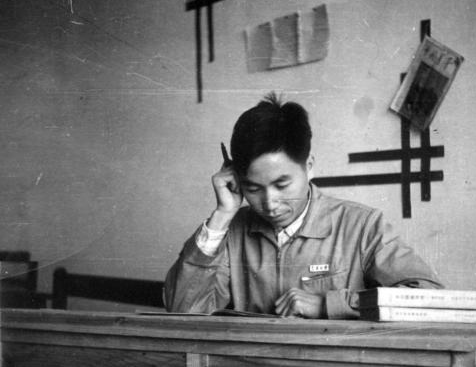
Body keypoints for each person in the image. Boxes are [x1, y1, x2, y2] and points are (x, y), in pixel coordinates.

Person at [164, 92, 442, 319]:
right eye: (253, 188)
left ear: (309, 166)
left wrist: (328, 305)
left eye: (282, 185)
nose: (270, 203)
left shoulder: (362, 226)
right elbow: (183, 313)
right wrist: (222, 215)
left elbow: (428, 296)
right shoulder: (230, 233)